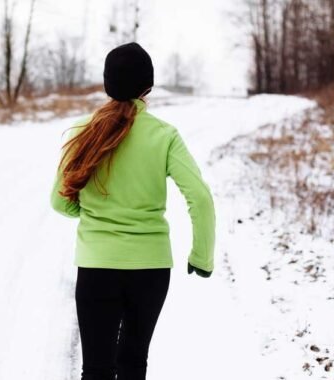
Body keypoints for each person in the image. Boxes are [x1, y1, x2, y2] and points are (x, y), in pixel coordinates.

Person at [49, 42, 216, 380]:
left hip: (97, 266)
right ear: (148, 86)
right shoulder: (165, 135)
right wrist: (202, 257)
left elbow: (60, 201)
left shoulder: (84, 131)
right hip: (151, 269)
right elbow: (200, 197)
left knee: (96, 368)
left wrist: (98, 215)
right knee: (133, 363)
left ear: (108, 83)